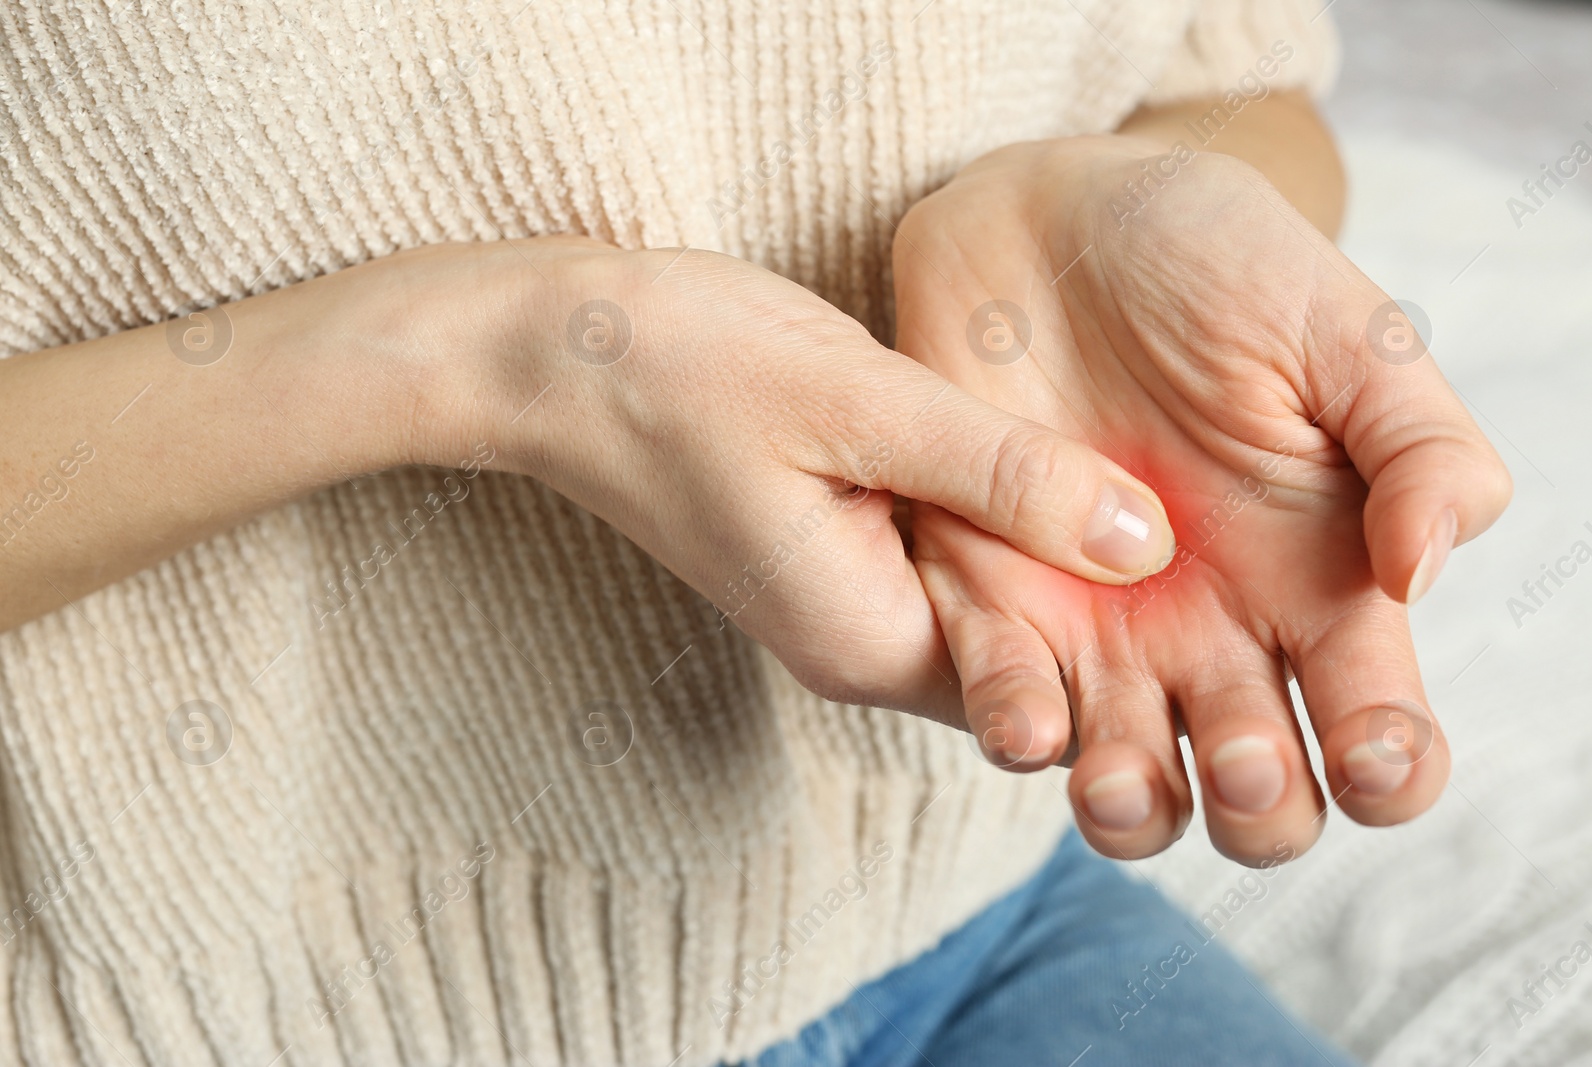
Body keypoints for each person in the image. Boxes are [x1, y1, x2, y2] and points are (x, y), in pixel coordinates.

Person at [0, 0, 1508, 1064]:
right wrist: (494, 357)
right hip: (216, 1015)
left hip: (965, 914)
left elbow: (1238, 75)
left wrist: (1139, 190)